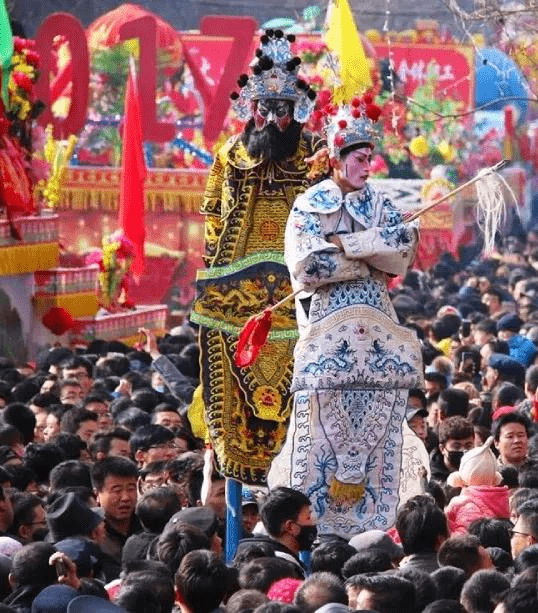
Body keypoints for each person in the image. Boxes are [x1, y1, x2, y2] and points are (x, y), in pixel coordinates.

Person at [268, 90, 423, 539]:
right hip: (326, 331)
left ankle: (378, 527)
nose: (367, 165)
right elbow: (309, 266)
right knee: (318, 432)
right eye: (359, 157)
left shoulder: (380, 203)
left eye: (371, 156)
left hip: (377, 330)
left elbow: (402, 253)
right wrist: (369, 254)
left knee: (381, 431)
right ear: (337, 158)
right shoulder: (309, 205)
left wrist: (351, 246)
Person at [190, 29, 322, 484]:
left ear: (297, 110)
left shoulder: (315, 155)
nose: (271, 118)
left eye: (282, 109)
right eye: (264, 109)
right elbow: (212, 215)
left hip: (300, 290)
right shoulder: (230, 153)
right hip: (234, 291)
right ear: (251, 109)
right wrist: (217, 270)